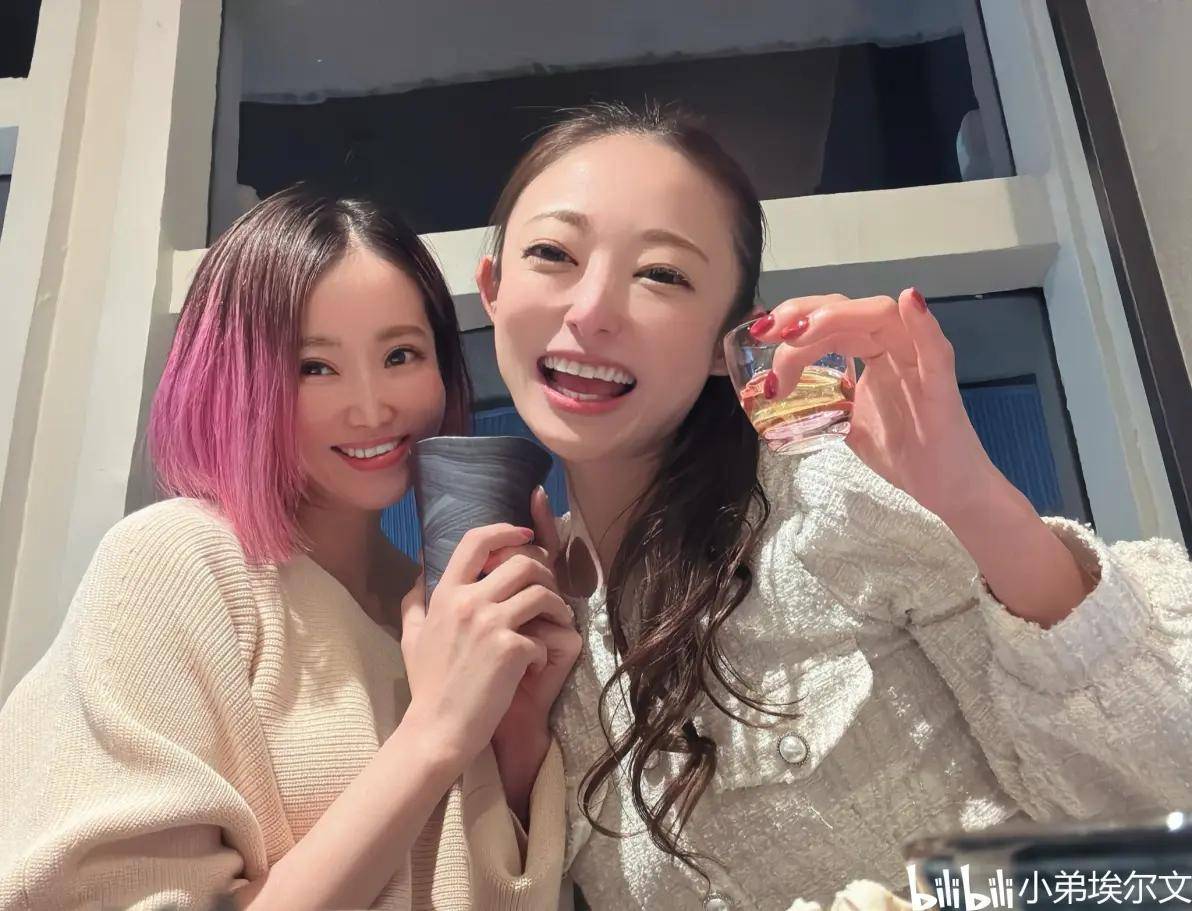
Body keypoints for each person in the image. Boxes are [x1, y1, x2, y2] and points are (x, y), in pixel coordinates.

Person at [474, 102, 1192, 910]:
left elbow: (1163, 791)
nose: (592, 310)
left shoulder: (832, 496)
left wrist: (975, 499)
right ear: (493, 289)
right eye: (552, 254)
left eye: (662, 274)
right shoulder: (527, 628)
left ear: (726, 342)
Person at [0, 185, 581, 911]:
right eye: (315, 366)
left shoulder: (433, 608)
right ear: (234, 378)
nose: (372, 406)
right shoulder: (175, 564)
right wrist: (436, 732)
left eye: (401, 354)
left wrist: (515, 733)